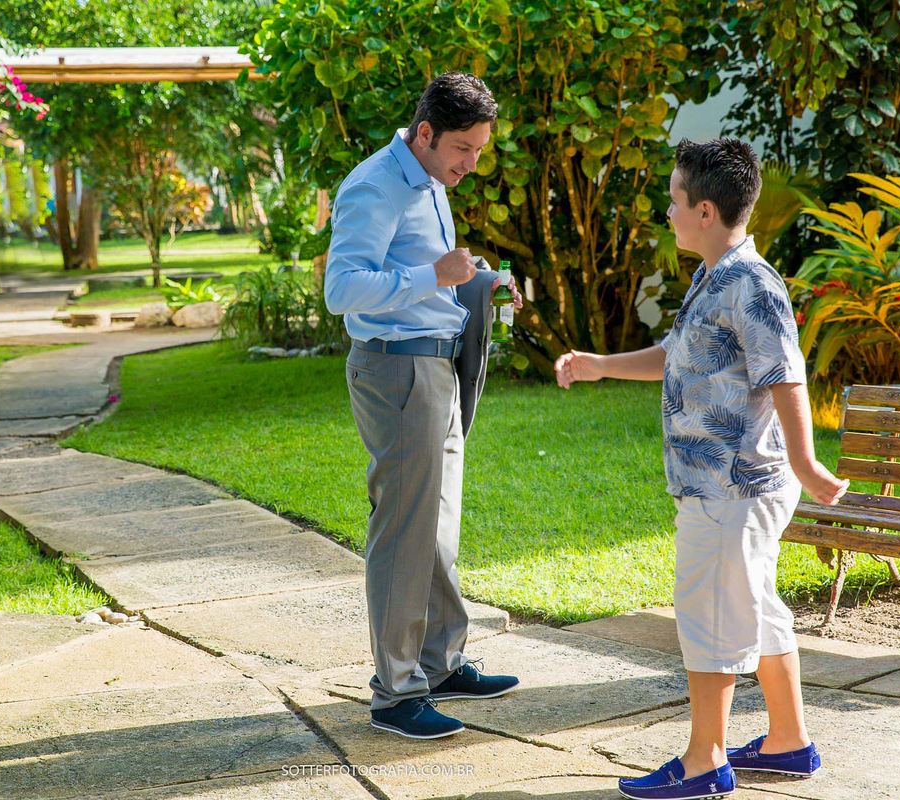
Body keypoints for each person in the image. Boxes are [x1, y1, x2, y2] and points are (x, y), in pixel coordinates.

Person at [555, 138, 848, 800]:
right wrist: (602, 364)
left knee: (709, 612)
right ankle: (787, 740)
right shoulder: (715, 275)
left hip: (731, 487)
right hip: (729, 486)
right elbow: (680, 352)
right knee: (756, 605)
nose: (668, 210)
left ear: (707, 210)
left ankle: (703, 760)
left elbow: (786, 375)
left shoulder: (750, 285)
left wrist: (806, 462)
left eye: (675, 200)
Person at [325, 71, 523, 740]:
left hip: (436, 363)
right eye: (463, 148)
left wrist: (483, 281)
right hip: (396, 370)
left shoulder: (429, 181)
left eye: (479, 150)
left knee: (437, 522)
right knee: (405, 528)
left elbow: (433, 273)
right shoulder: (375, 185)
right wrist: (434, 276)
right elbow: (343, 287)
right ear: (426, 132)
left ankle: (439, 663)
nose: (471, 164)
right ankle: (395, 692)